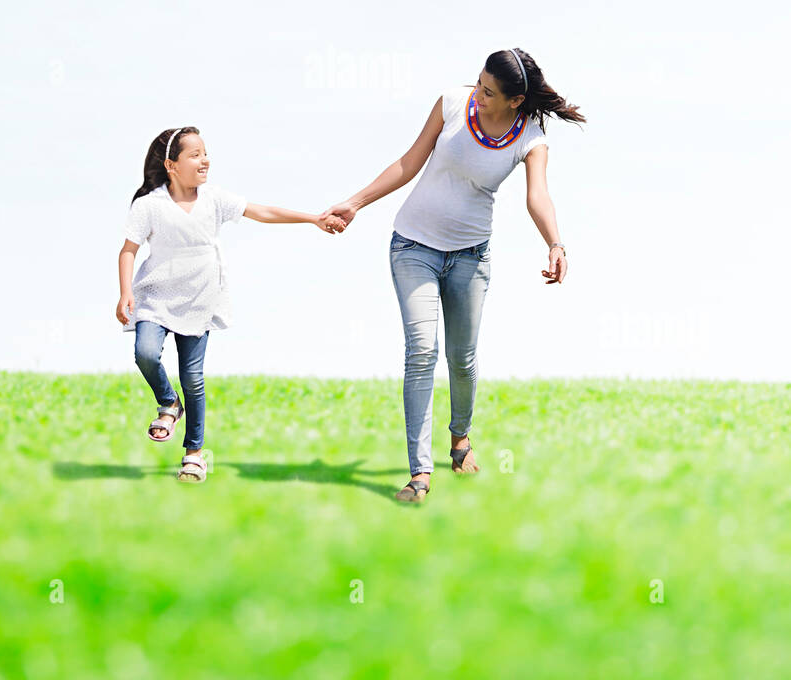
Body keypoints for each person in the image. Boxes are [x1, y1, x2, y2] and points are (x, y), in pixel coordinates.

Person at [321, 48, 585, 504]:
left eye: (488, 92)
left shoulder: (531, 138)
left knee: (462, 360)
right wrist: (356, 202)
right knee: (421, 352)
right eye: (478, 83)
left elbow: (537, 197)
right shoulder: (450, 103)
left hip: (470, 257)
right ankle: (419, 474)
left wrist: (555, 242)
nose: (477, 95)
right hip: (412, 246)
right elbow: (409, 162)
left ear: (515, 101)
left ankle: (459, 438)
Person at [116, 125, 344, 483]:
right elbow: (128, 250)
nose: (205, 160)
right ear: (171, 165)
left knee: (193, 378)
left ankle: (194, 454)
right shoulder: (150, 205)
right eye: (195, 154)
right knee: (145, 352)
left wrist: (313, 218)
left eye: (205, 152)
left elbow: (263, 212)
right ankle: (168, 403)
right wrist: (125, 291)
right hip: (155, 297)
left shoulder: (214, 199)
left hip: (199, 299)